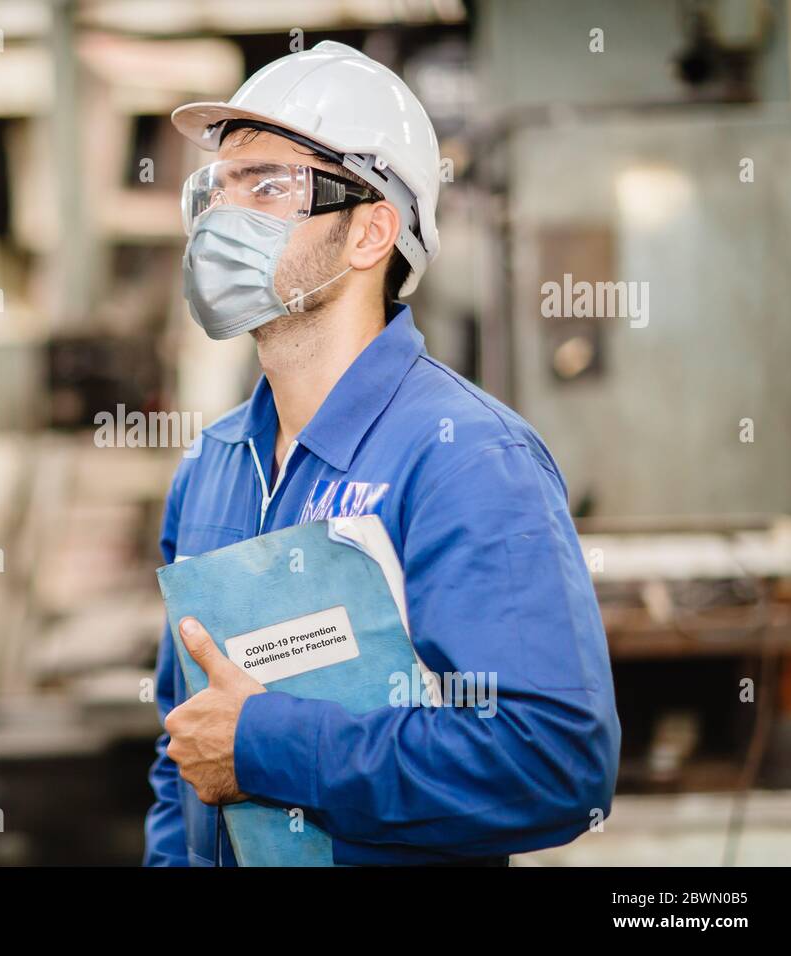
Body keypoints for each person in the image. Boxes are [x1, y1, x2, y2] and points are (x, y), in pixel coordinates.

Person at [144, 41, 620, 866]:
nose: (223, 218)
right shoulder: (212, 466)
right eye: (214, 191)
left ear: (371, 232)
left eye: (266, 186)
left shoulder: (467, 460)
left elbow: (552, 761)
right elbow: (181, 748)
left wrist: (269, 747)